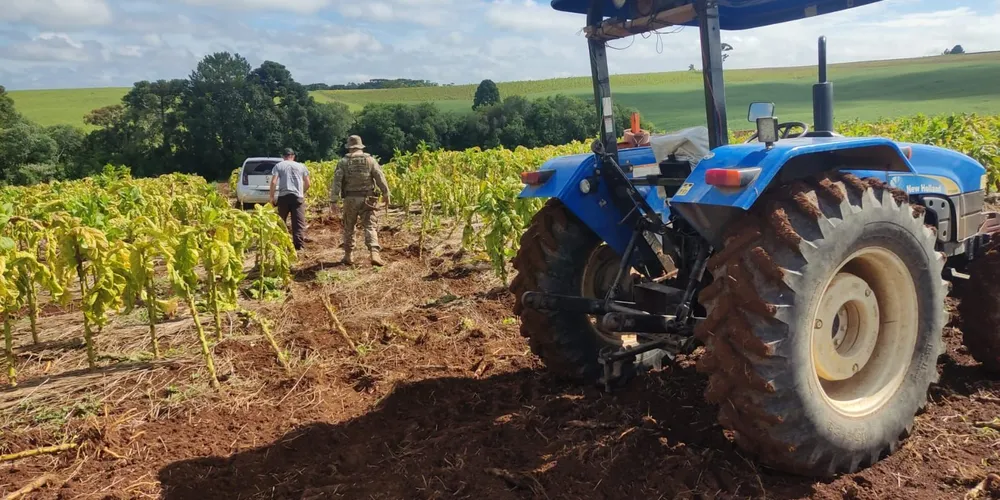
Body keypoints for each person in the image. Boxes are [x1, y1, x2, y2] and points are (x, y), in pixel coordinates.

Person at [330, 135, 390, 266]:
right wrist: (386, 193)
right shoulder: (370, 160)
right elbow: (379, 176)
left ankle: (348, 256)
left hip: (350, 199)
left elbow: (337, 182)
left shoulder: (343, 162)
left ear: (349, 147)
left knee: (349, 227)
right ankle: (374, 253)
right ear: (361, 146)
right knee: (370, 225)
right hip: (368, 198)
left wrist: (333, 200)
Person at [269, 147, 310, 251]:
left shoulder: (279, 166)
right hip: (297, 198)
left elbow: (273, 182)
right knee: (298, 223)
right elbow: (308, 183)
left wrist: (272, 197)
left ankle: (282, 245)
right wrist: (302, 192)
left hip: (284, 197)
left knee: (281, 221)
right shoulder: (301, 166)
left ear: (283, 157)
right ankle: (299, 246)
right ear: (293, 157)